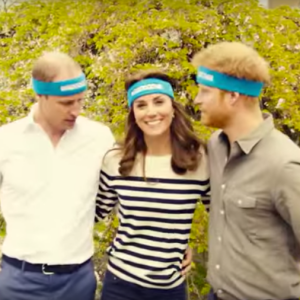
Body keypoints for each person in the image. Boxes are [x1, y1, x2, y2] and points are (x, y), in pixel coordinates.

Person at [0, 51, 115, 300]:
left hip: (78, 280)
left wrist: (173, 246)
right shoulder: (5, 141)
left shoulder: (99, 138)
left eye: (80, 101)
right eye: (66, 103)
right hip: (19, 279)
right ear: (40, 95)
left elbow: (127, 193)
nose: (76, 110)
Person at [192, 41, 300, 300]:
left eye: (205, 91)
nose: (197, 100)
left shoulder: (284, 165)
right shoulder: (216, 147)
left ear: (232, 96)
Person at [95, 69, 210, 300]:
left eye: (159, 102)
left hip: (170, 288)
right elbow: (92, 215)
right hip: (120, 284)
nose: (151, 112)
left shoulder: (199, 161)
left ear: (173, 107)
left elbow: (224, 217)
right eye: (141, 105)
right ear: (133, 113)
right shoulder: (116, 160)